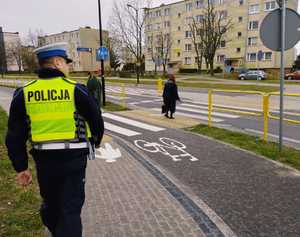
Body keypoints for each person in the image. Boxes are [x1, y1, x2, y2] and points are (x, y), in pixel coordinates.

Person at [5, 42, 104, 237]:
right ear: (58, 62)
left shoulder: (23, 93)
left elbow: (14, 135)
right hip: (74, 160)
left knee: (51, 203)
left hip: (44, 162)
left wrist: (21, 167)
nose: (68, 67)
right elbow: (96, 119)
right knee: (70, 209)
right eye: (66, 63)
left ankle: (54, 225)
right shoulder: (76, 89)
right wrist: (96, 141)